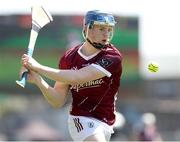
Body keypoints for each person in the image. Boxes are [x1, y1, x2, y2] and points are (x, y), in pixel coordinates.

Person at [19, 10, 123, 142]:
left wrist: (38, 68)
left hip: (106, 122)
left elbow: (77, 77)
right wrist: (39, 81)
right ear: (87, 28)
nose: (106, 34)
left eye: (109, 29)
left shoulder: (112, 57)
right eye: (101, 28)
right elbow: (57, 100)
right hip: (81, 119)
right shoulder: (69, 58)